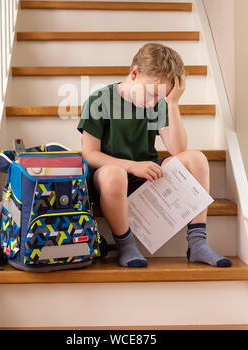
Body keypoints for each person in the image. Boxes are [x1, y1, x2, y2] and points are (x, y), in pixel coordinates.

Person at [77, 43, 232, 268]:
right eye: (151, 94)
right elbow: (90, 154)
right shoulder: (99, 100)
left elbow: (178, 150)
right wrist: (132, 166)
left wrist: (172, 102)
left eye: (160, 97)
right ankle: (126, 244)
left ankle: (197, 242)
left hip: (146, 175)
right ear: (134, 74)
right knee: (114, 175)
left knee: (196, 158)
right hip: (110, 177)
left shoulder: (158, 103)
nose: (153, 102)